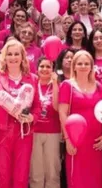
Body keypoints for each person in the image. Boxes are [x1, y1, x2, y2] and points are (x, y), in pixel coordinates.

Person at [0, 40, 41, 188]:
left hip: (24, 134)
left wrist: (32, 117)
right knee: (4, 177)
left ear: (23, 57)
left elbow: (38, 107)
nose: (13, 57)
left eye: (16, 54)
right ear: (4, 57)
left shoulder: (33, 79)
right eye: (9, 54)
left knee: (21, 177)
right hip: (2, 133)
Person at [59, 50, 102, 188]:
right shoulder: (67, 85)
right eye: (79, 63)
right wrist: (68, 140)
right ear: (74, 66)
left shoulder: (98, 86)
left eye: (87, 63)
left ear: (91, 66)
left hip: (95, 140)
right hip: (76, 140)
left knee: (95, 178)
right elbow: (62, 113)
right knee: (77, 177)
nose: (83, 66)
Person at [30, 57, 61, 188]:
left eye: (48, 67)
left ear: (53, 70)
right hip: (34, 131)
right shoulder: (32, 85)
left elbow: (56, 107)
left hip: (52, 132)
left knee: (52, 170)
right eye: (42, 66)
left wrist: (55, 84)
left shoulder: (57, 86)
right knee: (36, 171)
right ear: (37, 69)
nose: (44, 69)